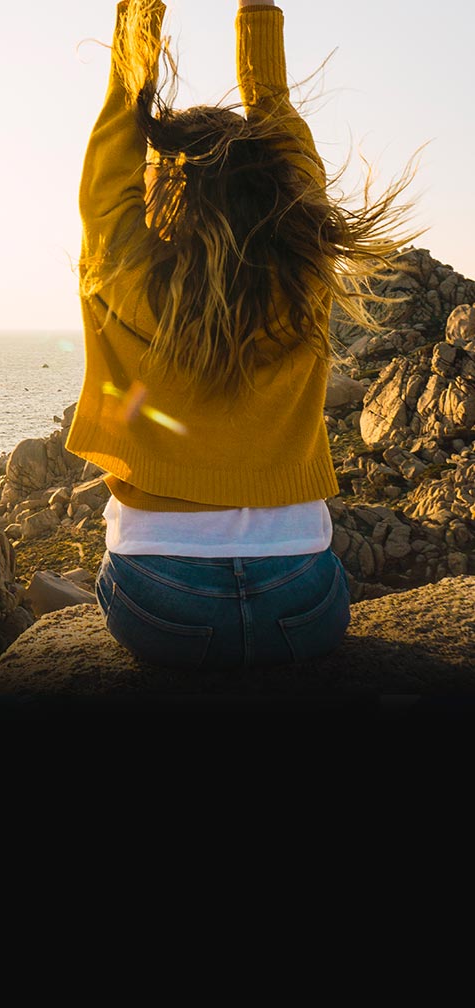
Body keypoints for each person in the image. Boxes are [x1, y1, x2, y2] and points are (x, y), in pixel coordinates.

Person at [67, 0, 417, 669]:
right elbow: (278, 116)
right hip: (300, 599)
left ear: (159, 187)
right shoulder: (304, 269)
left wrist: (139, 17)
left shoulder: (120, 264)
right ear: (276, 188)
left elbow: (119, 113)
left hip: (159, 601)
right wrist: (256, 13)